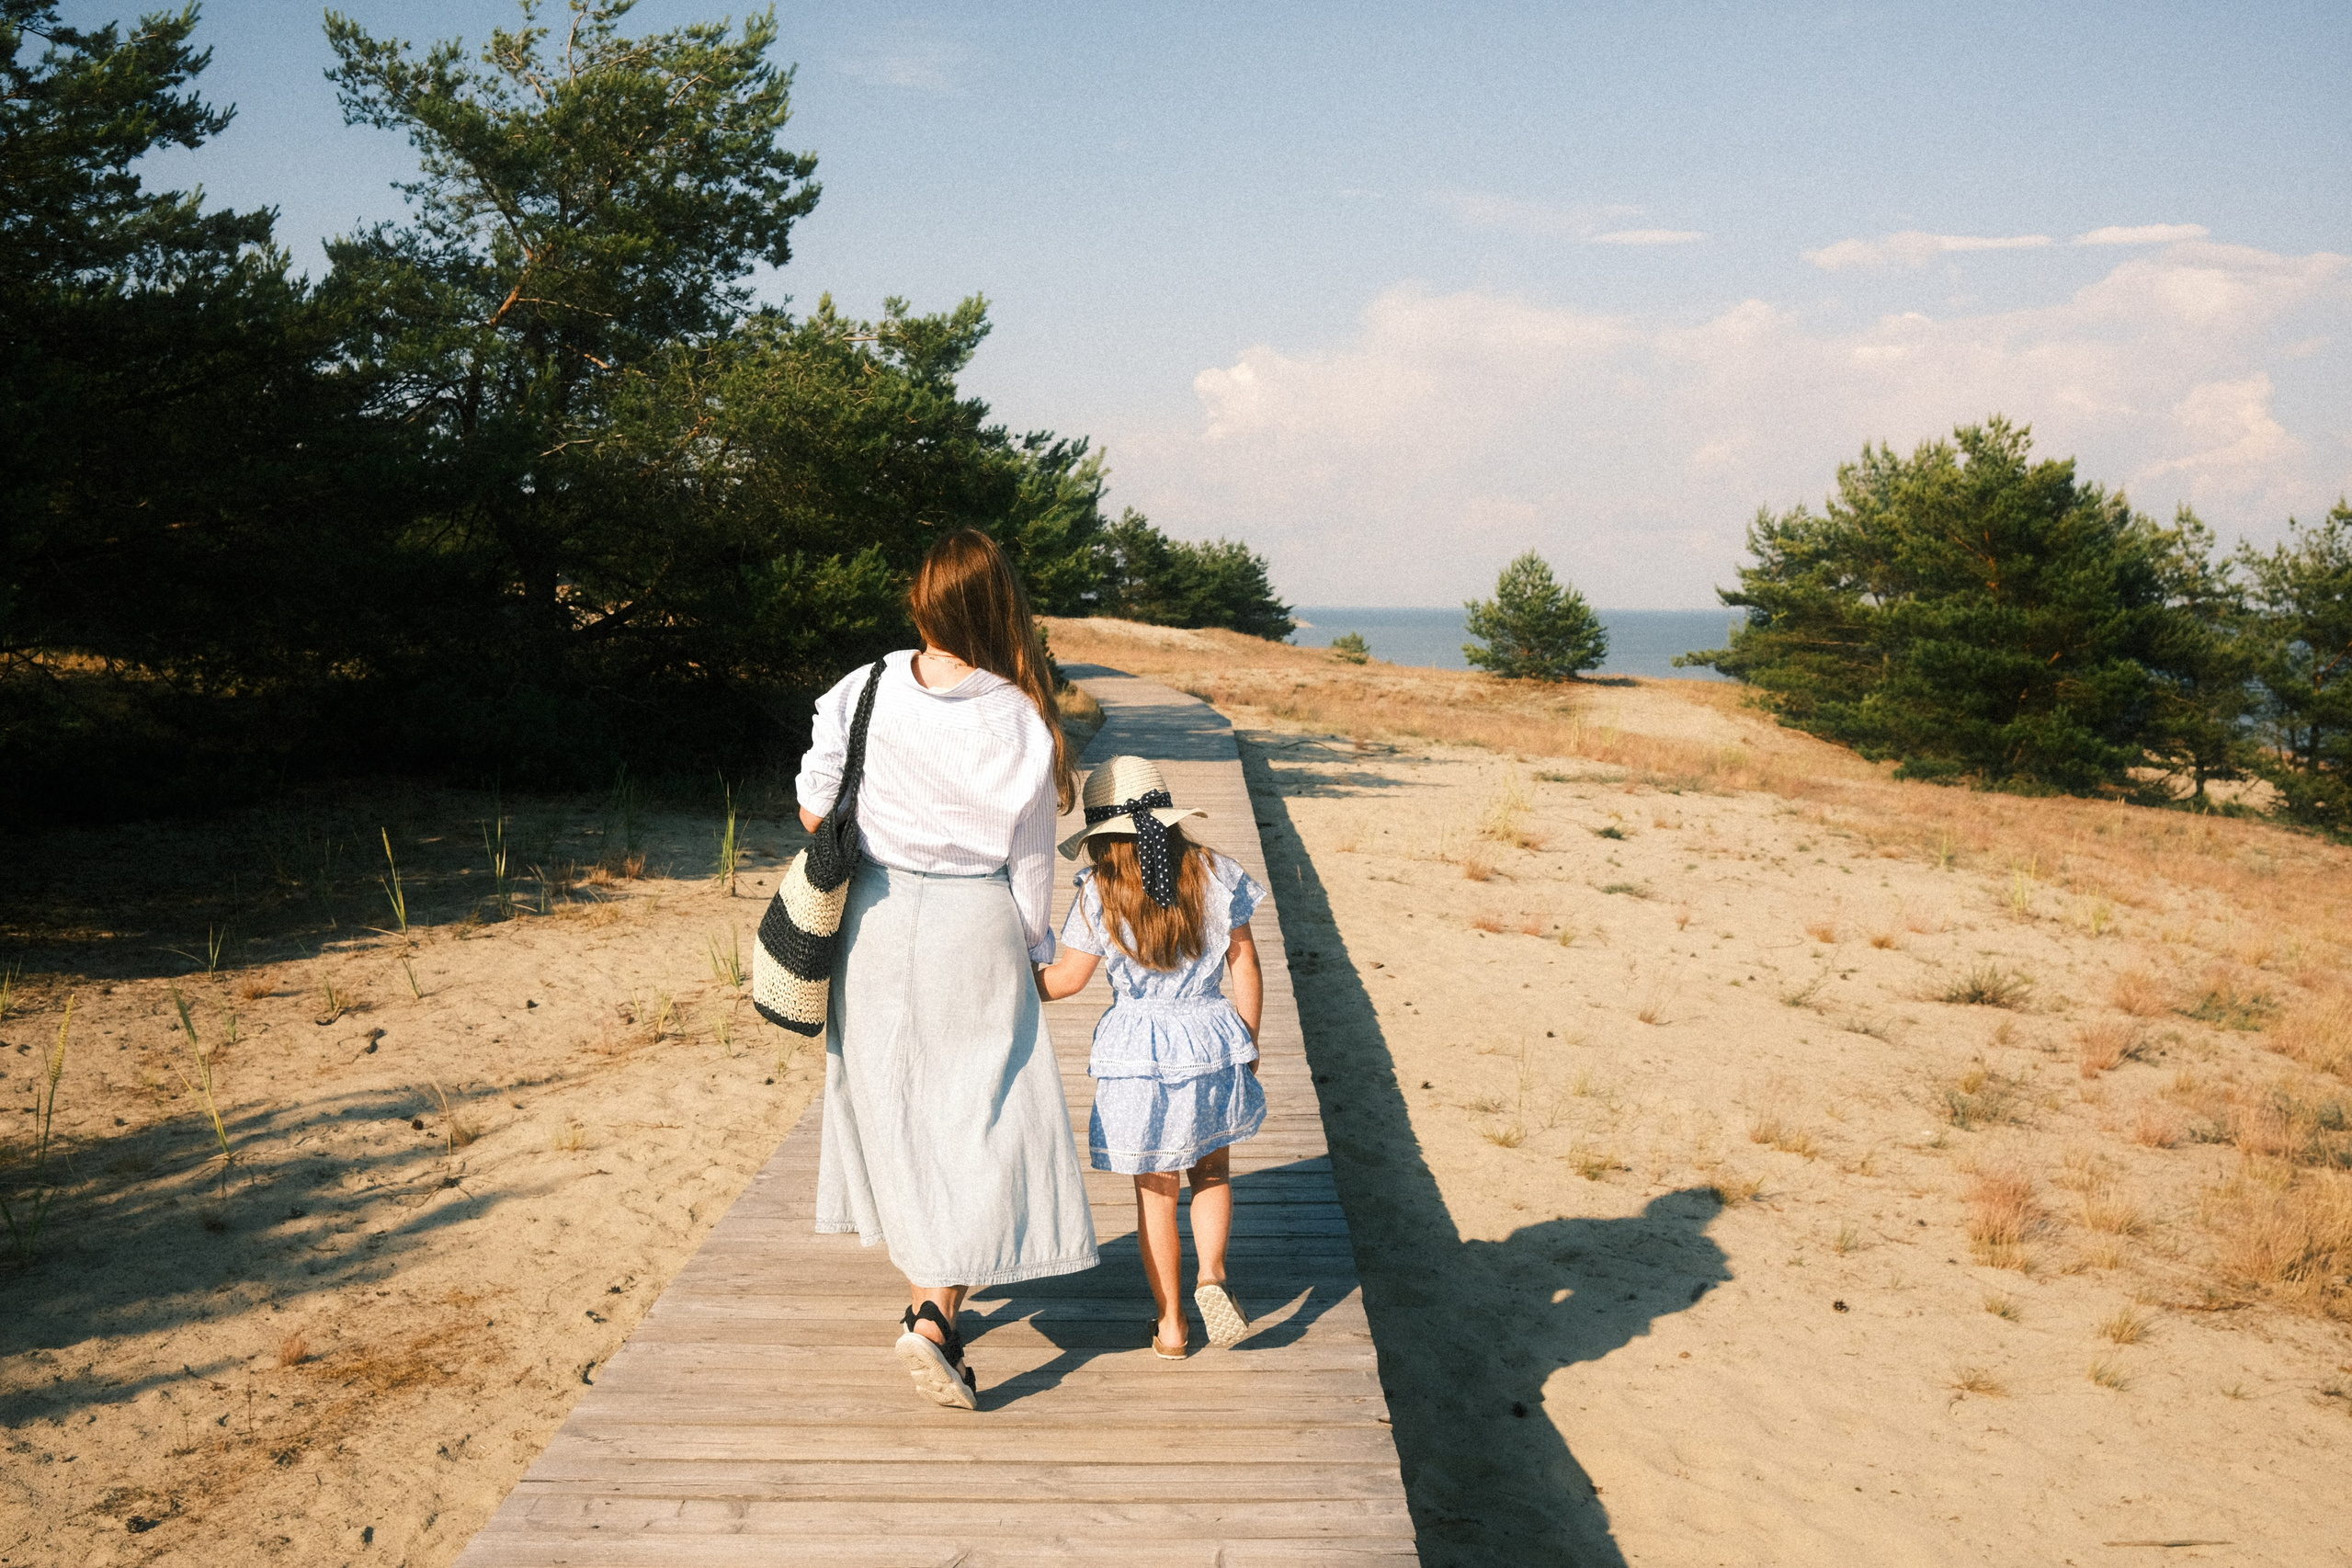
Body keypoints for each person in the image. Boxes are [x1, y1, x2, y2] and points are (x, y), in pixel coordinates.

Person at [794, 530, 1098, 1411]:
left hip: (875, 918)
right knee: (983, 1108)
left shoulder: (867, 685)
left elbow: (815, 805)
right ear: (999, 606)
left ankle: (931, 1302)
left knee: (892, 1097)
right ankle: (934, 1318)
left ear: (922, 601)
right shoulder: (1018, 716)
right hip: (976, 919)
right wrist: (1039, 953)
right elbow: (1032, 863)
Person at [1034, 755, 1267, 1358]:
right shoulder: (1217, 871)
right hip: (1211, 1033)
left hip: (1137, 1049)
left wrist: (1010, 977)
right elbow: (1244, 961)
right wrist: (1248, 1036)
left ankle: (1171, 1328)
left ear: (1100, 836)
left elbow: (1063, 982)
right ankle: (1212, 1276)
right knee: (1211, 1172)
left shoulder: (1099, 891)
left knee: (1155, 1191)